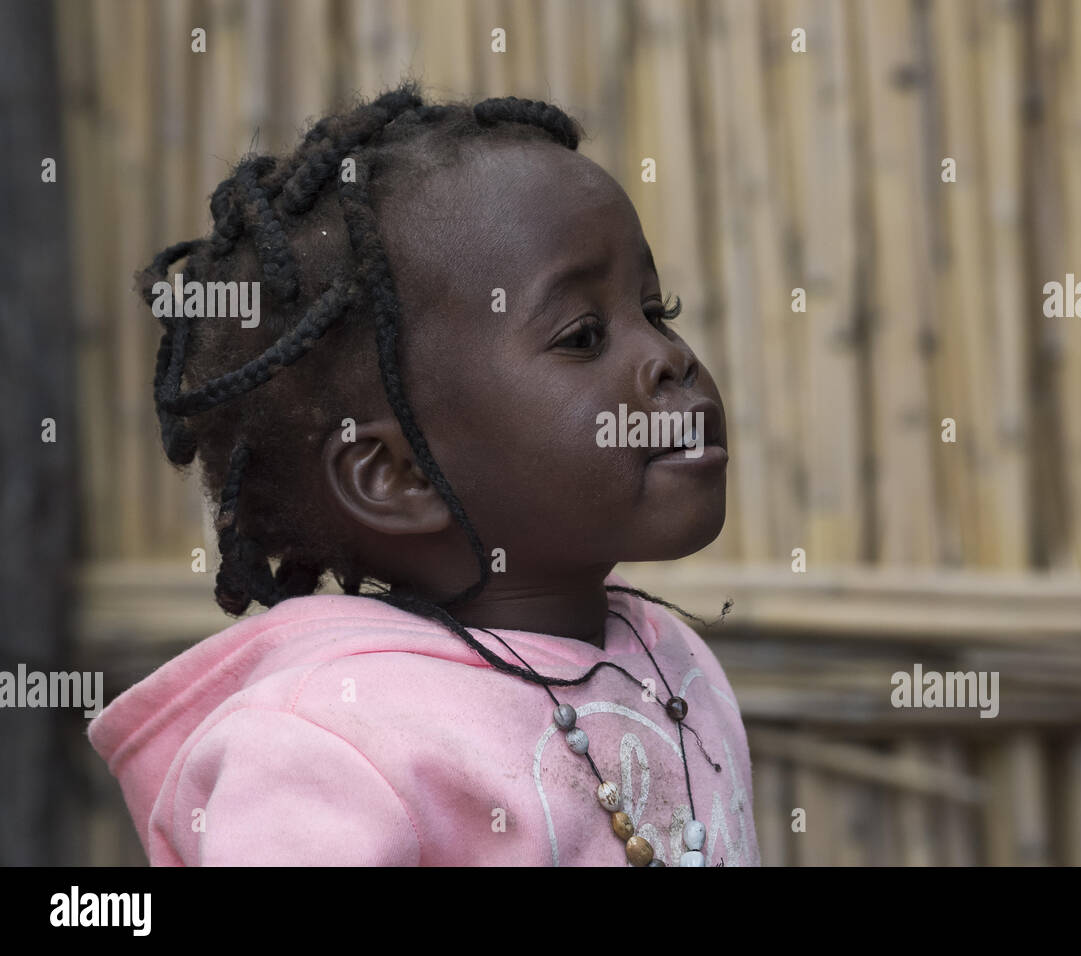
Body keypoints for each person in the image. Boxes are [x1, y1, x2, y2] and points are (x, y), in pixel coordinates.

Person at [88, 85, 759, 867]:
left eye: (657, 307)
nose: (667, 357)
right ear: (398, 476)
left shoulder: (669, 658)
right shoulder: (329, 746)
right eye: (582, 335)